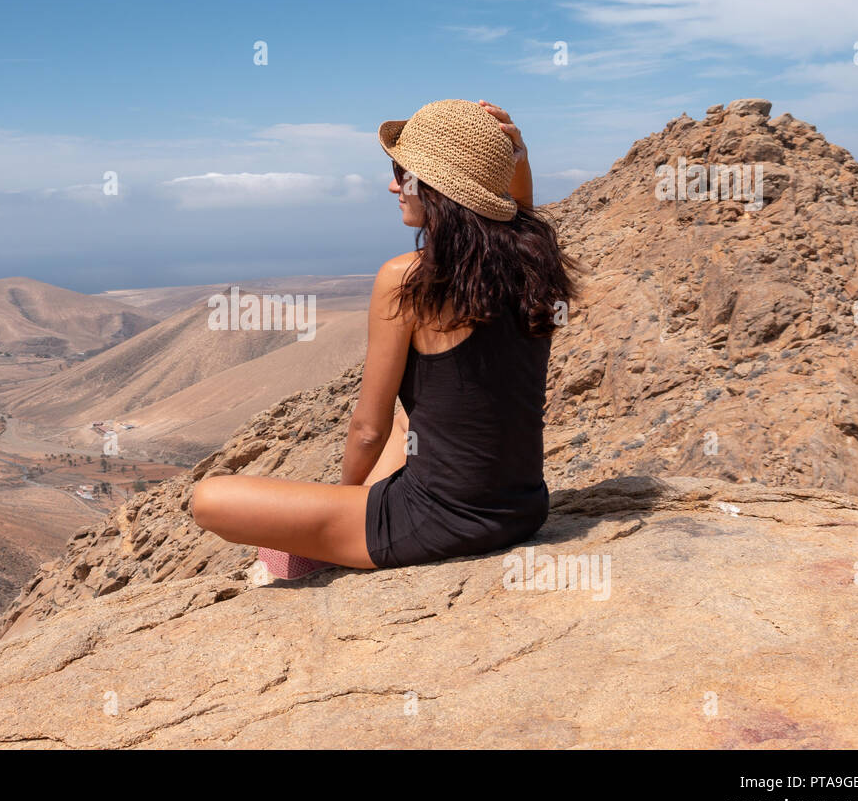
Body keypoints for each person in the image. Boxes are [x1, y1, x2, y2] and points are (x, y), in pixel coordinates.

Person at [191, 99, 582, 573]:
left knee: (209, 499)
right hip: (521, 509)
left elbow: (366, 428)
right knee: (408, 421)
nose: (393, 184)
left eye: (405, 173)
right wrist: (517, 158)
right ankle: (352, 522)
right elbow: (515, 211)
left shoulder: (408, 280)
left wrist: (344, 509)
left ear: (440, 190)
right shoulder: (533, 259)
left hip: (440, 522)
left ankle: (343, 537)